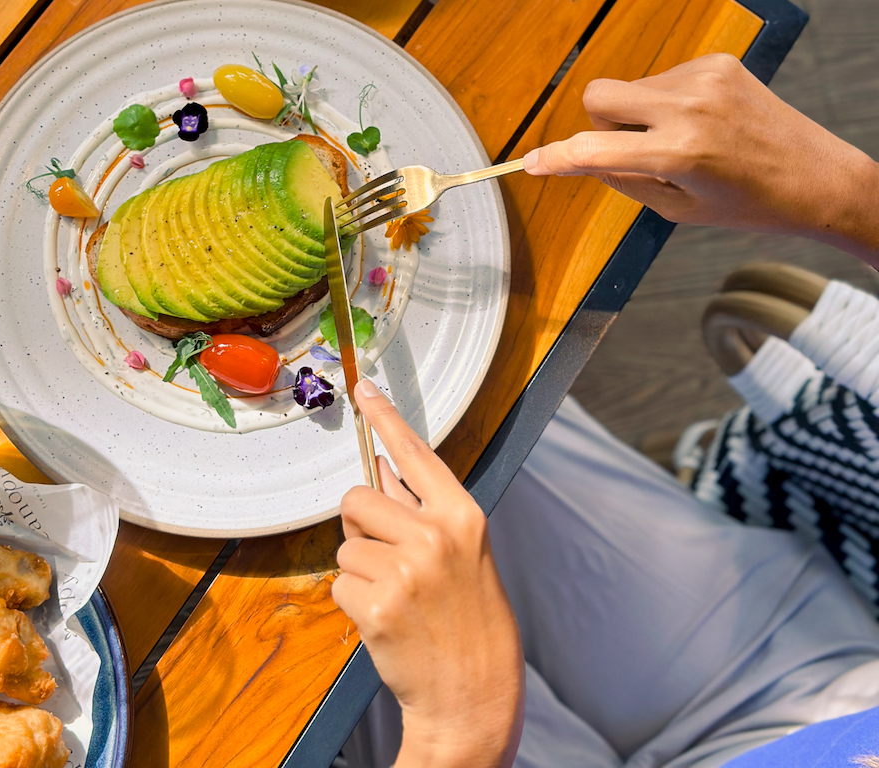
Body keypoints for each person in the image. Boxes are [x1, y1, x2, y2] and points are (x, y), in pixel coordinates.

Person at [336, 54, 879, 768]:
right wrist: (849, 196)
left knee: (330, 607)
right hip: (803, 700)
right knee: (439, 425)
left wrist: (456, 736)